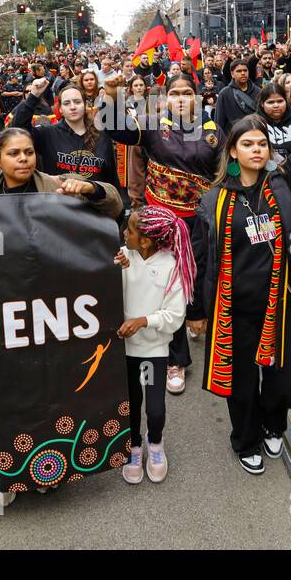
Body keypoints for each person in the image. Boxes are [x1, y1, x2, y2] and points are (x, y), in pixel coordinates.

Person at [194, 69, 291, 475]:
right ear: (233, 152)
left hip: (279, 302)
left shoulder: (282, 184)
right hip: (234, 308)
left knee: (283, 377)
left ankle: (274, 425)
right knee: (241, 382)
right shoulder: (213, 201)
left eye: (262, 143)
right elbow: (202, 259)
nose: (256, 150)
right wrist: (196, 311)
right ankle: (246, 439)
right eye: (247, 144)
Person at [101, 73, 221, 395]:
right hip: (161, 225)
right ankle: (175, 360)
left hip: (199, 222)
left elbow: (225, 172)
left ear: (197, 97)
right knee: (166, 287)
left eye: (187, 92)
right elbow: (116, 128)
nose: (181, 98)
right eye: (175, 93)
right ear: (166, 98)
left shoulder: (213, 132)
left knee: (197, 277)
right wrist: (111, 94)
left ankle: (195, 317)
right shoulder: (154, 126)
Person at [114, 206, 192, 485]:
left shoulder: (170, 265)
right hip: (125, 350)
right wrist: (115, 269)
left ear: (146, 240)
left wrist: (143, 321)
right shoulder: (123, 256)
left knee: (155, 409)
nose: (124, 233)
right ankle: (134, 446)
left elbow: (174, 316)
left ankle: (155, 442)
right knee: (131, 404)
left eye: (130, 230)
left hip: (153, 352)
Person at [11, 77, 120, 198]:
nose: (72, 107)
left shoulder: (102, 136)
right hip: (58, 204)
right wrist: (33, 96)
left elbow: (111, 179)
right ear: (60, 109)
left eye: (77, 102)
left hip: (96, 206)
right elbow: (19, 131)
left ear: (85, 105)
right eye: (67, 103)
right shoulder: (47, 134)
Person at [255, 82, 291, 161]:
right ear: (262, 104)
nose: (276, 105)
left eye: (280, 101)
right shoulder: (254, 126)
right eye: (270, 102)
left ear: (286, 101)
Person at [213, 60, 258, 135]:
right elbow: (219, 122)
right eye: (239, 71)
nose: (243, 73)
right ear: (232, 74)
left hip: (255, 134)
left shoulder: (258, 92)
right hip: (233, 136)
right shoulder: (224, 94)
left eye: (245, 70)